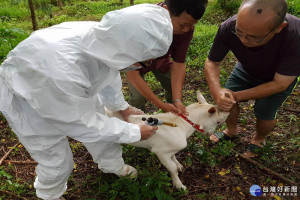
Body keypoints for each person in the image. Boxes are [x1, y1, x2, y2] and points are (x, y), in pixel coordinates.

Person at [0, 4, 173, 200]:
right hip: (27, 100)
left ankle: (112, 165)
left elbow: (107, 73)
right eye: (145, 62)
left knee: (104, 133)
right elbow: (81, 123)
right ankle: (50, 195)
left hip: (71, 89)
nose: (143, 66)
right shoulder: (63, 70)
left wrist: (120, 107)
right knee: (56, 161)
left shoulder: (104, 40)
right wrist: (134, 132)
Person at [204, 0, 300, 156]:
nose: (244, 40)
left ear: (278, 28)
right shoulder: (229, 26)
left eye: (254, 37)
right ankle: (231, 131)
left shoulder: (295, 36)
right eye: (239, 32)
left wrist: (237, 96)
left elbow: (280, 84)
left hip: (278, 79)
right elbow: (212, 62)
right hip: (245, 70)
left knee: (265, 113)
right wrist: (217, 91)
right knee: (227, 101)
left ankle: (259, 139)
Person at [126, 0, 207, 115]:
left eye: (191, 25)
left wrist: (177, 100)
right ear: (166, 11)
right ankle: (137, 124)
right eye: (183, 25)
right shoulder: (141, 25)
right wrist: (160, 104)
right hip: (135, 65)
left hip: (160, 62)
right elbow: (132, 73)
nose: (187, 30)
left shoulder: (185, 27)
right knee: (138, 98)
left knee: (172, 87)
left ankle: (172, 115)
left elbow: (179, 63)